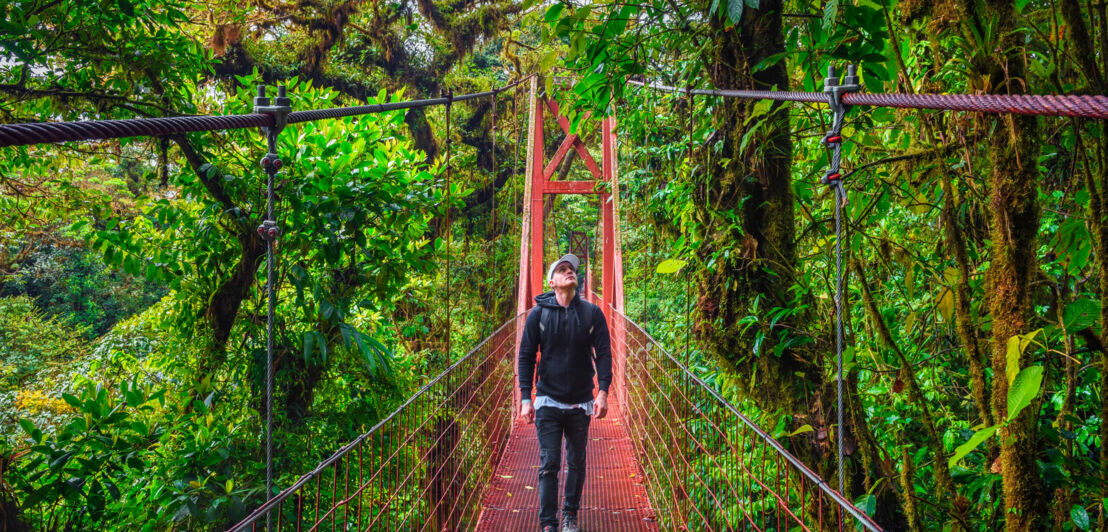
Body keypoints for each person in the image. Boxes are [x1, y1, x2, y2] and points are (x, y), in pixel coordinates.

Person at [518, 253, 612, 532]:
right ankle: (548, 524)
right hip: (547, 399)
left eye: (572, 269)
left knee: (577, 462)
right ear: (552, 282)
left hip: (581, 401)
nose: (569, 271)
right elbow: (525, 356)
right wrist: (525, 398)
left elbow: (605, 354)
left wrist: (603, 391)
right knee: (550, 462)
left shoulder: (592, 313)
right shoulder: (538, 315)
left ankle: (570, 515)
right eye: (562, 269)